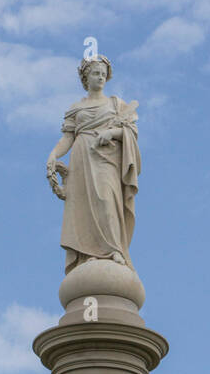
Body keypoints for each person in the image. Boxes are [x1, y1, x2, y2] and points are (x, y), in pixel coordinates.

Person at [45, 54, 140, 273]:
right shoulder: (76, 109)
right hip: (81, 158)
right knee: (83, 206)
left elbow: (131, 132)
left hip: (106, 158)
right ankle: (88, 253)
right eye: (96, 73)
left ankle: (114, 248)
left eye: (103, 74)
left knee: (107, 198)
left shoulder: (116, 104)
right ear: (86, 77)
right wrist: (53, 154)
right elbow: (67, 138)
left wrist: (112, 133)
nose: (100, 78)